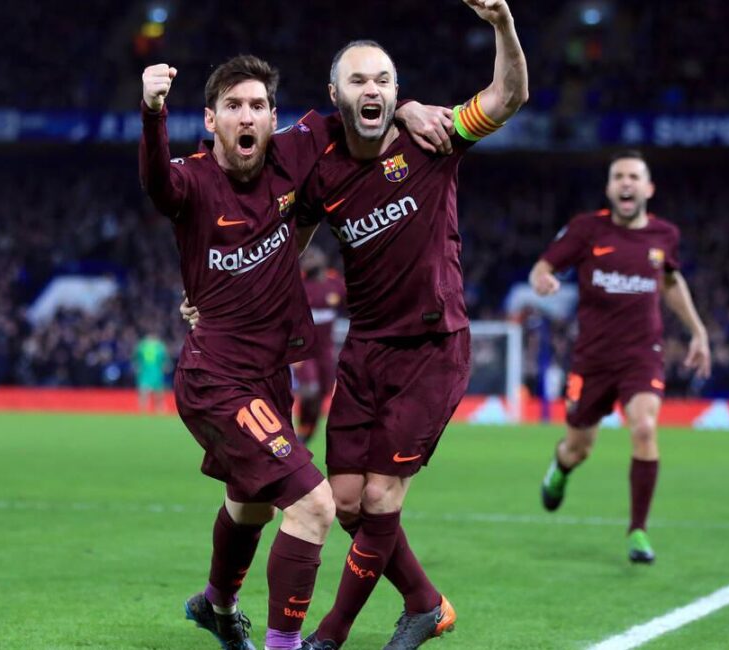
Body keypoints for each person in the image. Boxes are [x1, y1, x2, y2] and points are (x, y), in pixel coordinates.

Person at [140, 54, 450, 650]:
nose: (246, 116)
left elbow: (358, 113)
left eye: (257, 105)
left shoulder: (296, 150)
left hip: (269, 378)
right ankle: (286, 646)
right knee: (314, 504)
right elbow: (157, 181)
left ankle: (217, 605)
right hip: (216, 379)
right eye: (233, 106)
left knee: (250, 504)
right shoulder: (193, 179)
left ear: (274, 118)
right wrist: (152, 113)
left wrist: (406, 108)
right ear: (210, 121)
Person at [293, 2, 528, 647]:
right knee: (344, 500)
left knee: (381, 496)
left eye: (383, 81)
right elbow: (288, 243)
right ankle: (425, 602)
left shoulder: (435, 137)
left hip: (432, 346)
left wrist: (503, 27)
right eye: (359, 81)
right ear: (335, 94)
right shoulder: (322, 171)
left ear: (397, 90)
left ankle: (330, 636)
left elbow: (507, 97)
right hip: (364, 348)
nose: (372, 90)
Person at [529, 150, 711, 564]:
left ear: (648, 188)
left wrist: (698, 330)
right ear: (610, 188)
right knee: (579, 448)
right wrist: (542, 279)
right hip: (592, 358)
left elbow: (670, 280)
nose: (626, 183)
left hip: (642, 354)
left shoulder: (665, 236)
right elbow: (543, 266)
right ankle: (560, 468)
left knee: (645, 428)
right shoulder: (586, 229)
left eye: (634, 176)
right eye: (618, 177)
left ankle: (638, 531)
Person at [293, 246, 345, 444]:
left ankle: (305, 434)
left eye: (312, 255)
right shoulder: (298, 286)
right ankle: (297, 434)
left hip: (326, 352)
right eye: (305, 257)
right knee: (309, 391)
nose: (308, 259)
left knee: (321, 394)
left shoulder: (335, 284)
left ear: (324, 258)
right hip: (304, 351)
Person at [133, 331, 170, 412]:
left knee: (158, 392)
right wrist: (137, 365)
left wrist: (165, 365)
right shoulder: (142, 345)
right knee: (144, 391)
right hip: (145, 371)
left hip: (156, 371)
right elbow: (136, 357)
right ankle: (143, 409)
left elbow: (165, 358)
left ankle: (160, 408)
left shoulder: (159, 346)